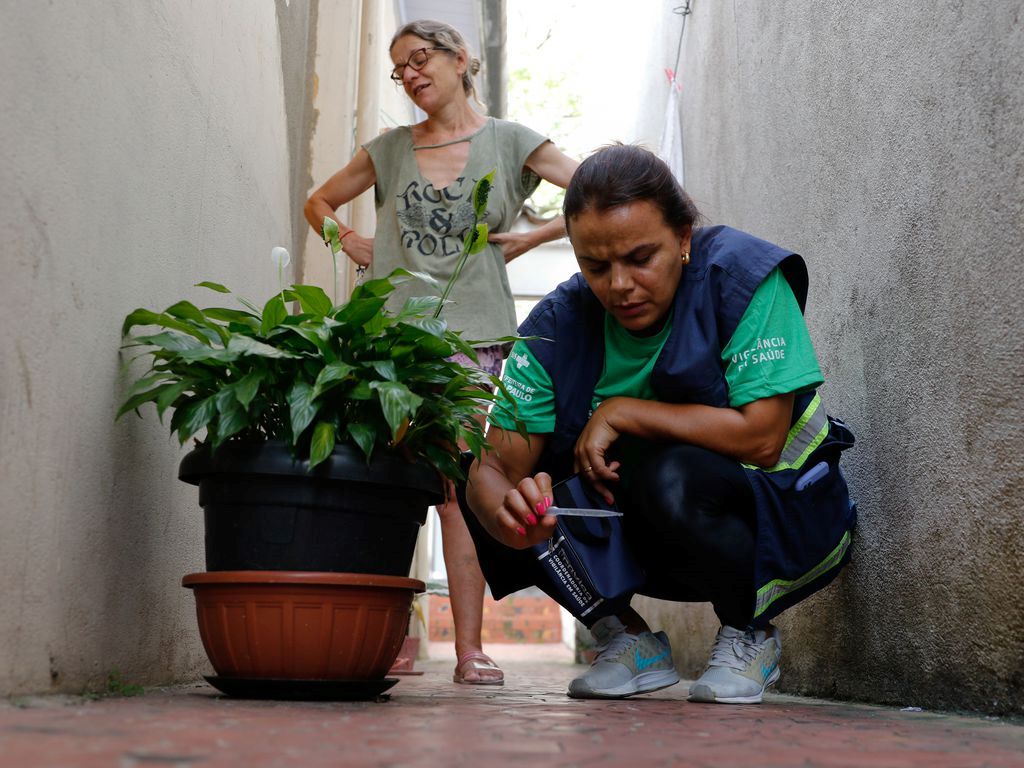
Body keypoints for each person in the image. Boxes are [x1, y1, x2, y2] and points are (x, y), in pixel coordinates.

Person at [463, 144, 856, 703]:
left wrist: (623, 411)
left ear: (684, 238)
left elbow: (764, 439)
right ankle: (625, 637)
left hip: (788, 522)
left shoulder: (741, 279)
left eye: (640, 258)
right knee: (479, 475)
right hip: (652, 539)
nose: (619, 285)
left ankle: (750, 631)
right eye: (595, 266)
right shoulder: (555, 326)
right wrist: (505, 509)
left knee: (669, 472)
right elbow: (497, 466)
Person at [304, 19, 578, 686]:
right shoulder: (390, 148)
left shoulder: (512, 141)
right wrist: (350, 242)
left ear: (462, 59)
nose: (411, 75)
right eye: (399, 69)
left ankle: (468, 649)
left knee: (455, 489)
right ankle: (385, 634)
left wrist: (534, 237)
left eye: (421, 59)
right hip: (389, 340)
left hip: (472, 338)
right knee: (385, 479)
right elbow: (318, 202)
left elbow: (601, 187)